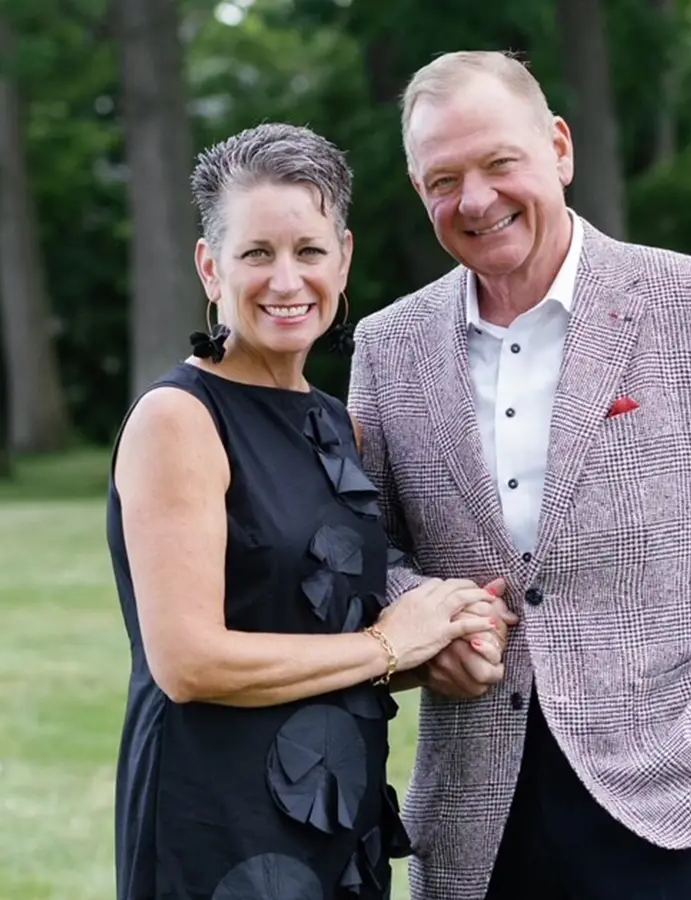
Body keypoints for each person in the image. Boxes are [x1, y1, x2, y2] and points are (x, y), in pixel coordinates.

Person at [347, 51, 691, 900]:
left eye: (501, 163)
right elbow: (364, 551)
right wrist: (425, 628)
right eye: (443, 179)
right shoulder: (387, 347)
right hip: (478, 819)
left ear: (559, 149)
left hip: (683, 799)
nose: (475, 199)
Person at [106, 121, 511, 900]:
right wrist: (392, 644)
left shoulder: (338, 424)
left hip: (334, 810)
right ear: (210, 267)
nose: (286, 280)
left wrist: (448, 638)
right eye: (256, 253)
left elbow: (320, 646)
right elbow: (189, 662)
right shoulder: (180, 419)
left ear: (344, 259)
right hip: (217, 822)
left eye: (309, 252)